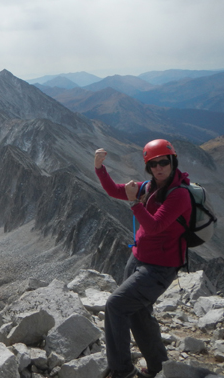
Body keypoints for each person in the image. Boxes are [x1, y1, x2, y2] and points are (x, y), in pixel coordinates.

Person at [94, 139, 192, 378]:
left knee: (116, 305)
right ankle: (158, 367)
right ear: (148, 168)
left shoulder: (180, 195)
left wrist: (135, 202)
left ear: (172, 161)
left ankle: (121, 370)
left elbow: (155, 226)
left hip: (160, 268)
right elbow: (113, 190)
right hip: (138, 259)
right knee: (138, 313)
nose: (159, 167)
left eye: (164, 162)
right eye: (153, 164)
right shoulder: (149, 187)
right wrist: (99, 168)